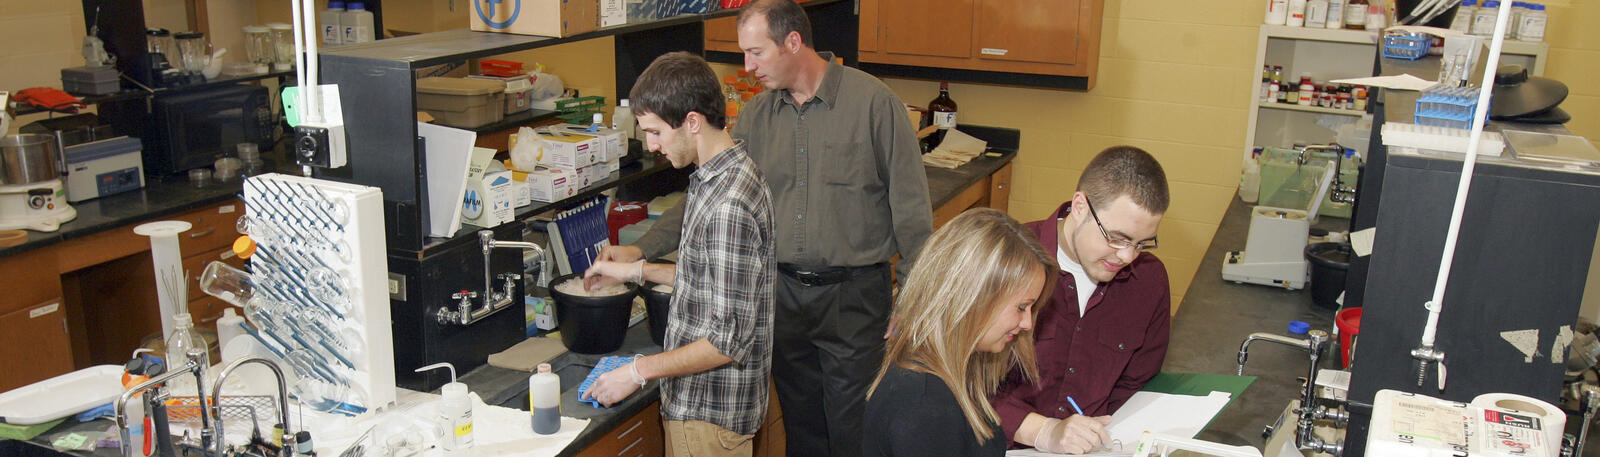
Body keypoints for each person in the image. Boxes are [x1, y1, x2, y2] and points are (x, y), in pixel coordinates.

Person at [598, 1, 933, 455]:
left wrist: (912, 298)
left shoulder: (874, 103)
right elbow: (709, 191)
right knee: (802, 428)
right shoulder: (757, 115)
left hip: (853, 299)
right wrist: (643, 250)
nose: (748, 65)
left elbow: (912, 210)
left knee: (853, 428)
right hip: (781, 295)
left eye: (756, 52)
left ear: (793, 42)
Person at [579, 51, 776, 457]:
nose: (652, 146)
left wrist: (636, 372)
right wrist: (635, 272)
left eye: (656, 132)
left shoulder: (728, 206)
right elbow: (708, 281)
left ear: (692, 122)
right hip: (706, 413)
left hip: (707, 418)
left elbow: (726, 342)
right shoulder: (723, 176)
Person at [989, 146, 1172, 455]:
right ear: (1080, 207)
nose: (1128, 256)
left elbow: (1136, 385)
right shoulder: (1003, 262)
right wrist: (1043, 431)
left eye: (1142, 243)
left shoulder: (1148, 282)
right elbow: (956, 379)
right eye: (1117, 238)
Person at [863, 208, 1056, 457]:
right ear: (974, 297)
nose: (1027, 323)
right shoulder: (925, 406)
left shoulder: (945, 373)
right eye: (1021, 307)